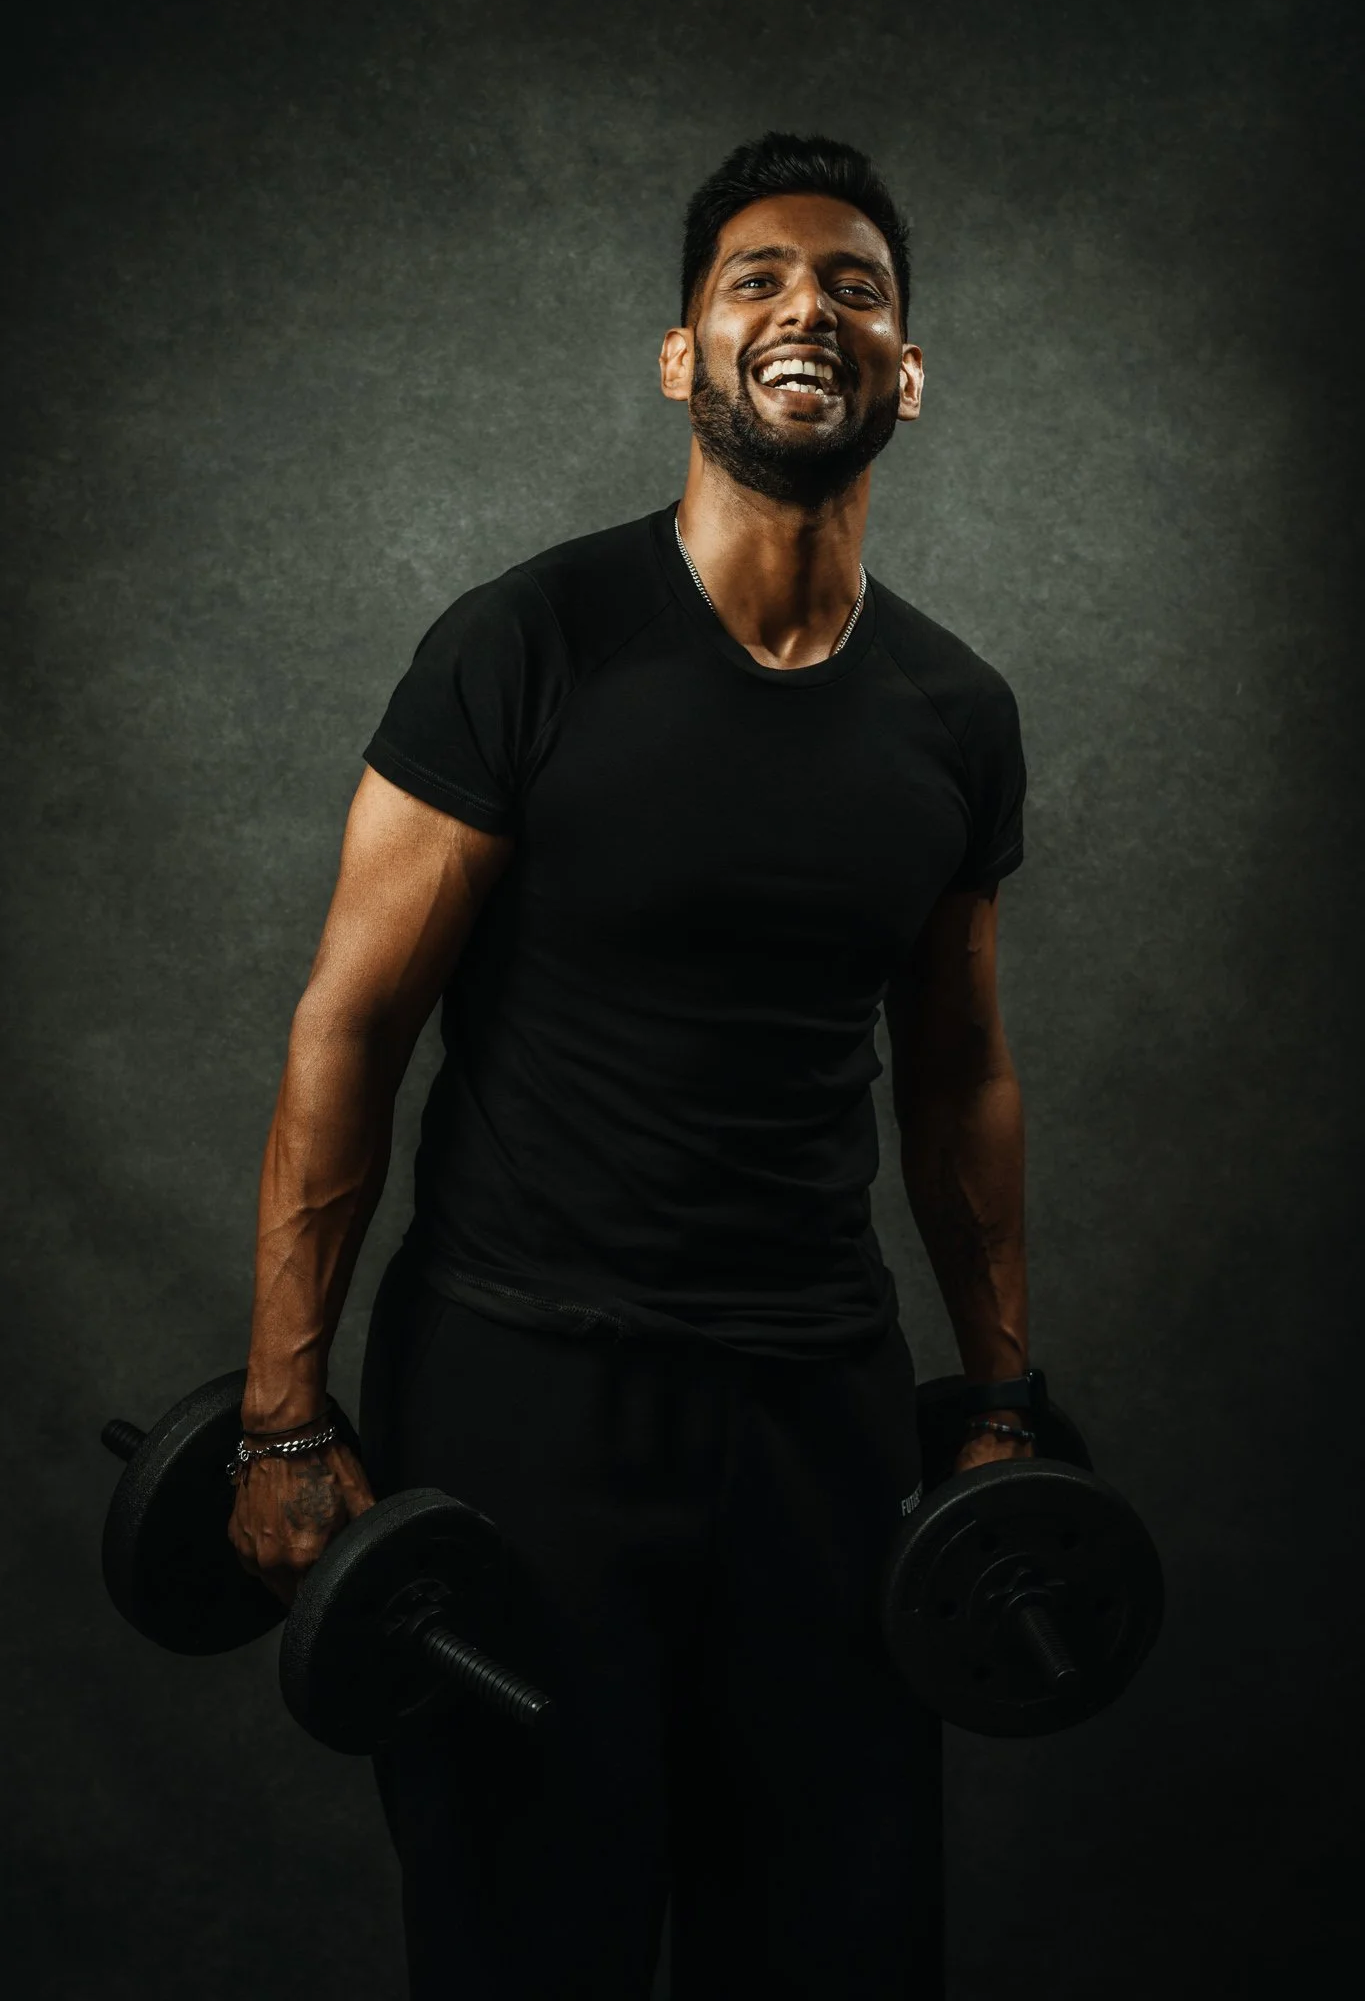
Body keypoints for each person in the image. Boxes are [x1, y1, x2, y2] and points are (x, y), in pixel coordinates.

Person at [227, 130, 1033, 2001]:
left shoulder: (956, 715)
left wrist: (999, 1392)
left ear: (906, 372)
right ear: (682, 357)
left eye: (852, 283)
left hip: (818, 1417)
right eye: (753, 278)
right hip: (525, 1401)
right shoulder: (526, 645)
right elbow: (349, 1024)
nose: (803, 306)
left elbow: (963, 1070)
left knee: (832, 1939)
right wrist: (286, 1415)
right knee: (531, 1940)